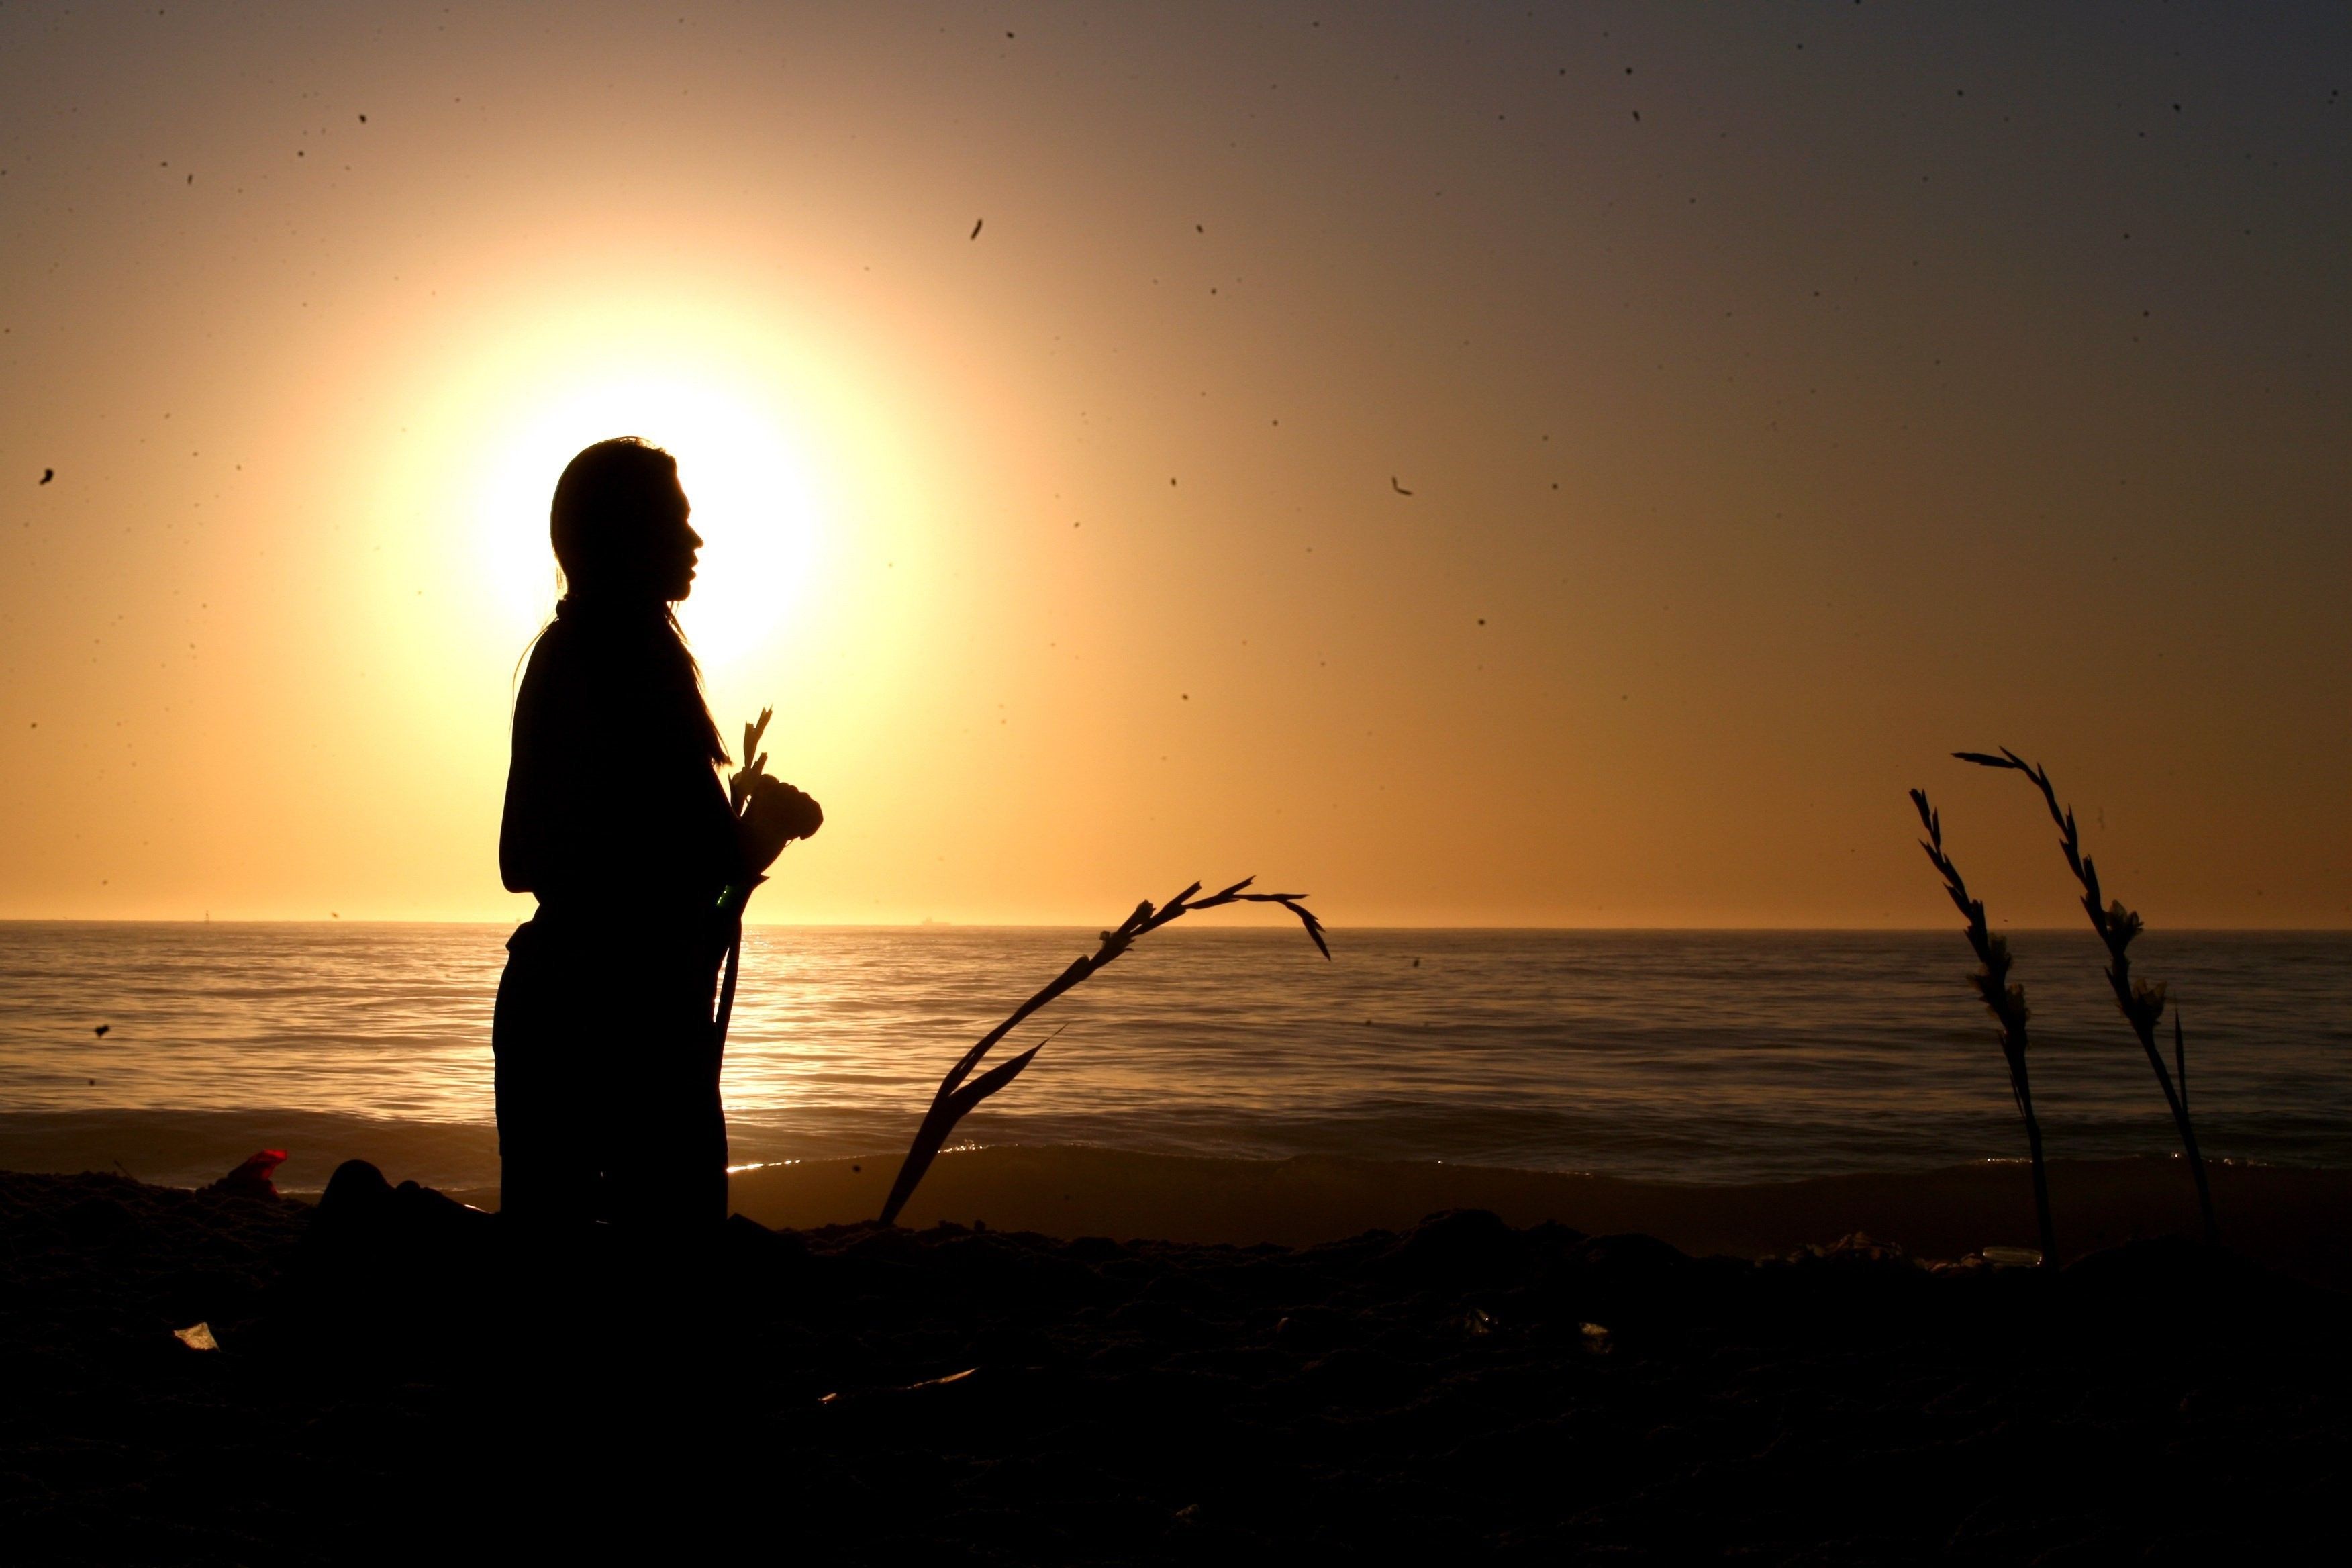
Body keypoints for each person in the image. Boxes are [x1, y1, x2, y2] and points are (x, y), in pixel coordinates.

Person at [494, 436, 820, 1227]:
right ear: (625, 535)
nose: (696, 540)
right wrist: (756, 836)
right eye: (676, 520)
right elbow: (535, 858)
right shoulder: (601, 665)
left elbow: (552, 858)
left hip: (586, 1013)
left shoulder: (597, 658)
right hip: (611, 1027)